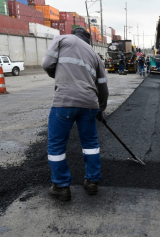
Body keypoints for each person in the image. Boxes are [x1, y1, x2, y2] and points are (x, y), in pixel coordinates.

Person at [41, 28, 109, 201]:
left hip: (65, 101)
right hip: (89, 104)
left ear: (73, 34)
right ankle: (92, 182)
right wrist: (101, 109)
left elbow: (47, 64)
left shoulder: (62, 39)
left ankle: (61, 186)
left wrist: (57, 76)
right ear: (89, 40)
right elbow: (103, 86)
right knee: (90, 144)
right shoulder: (94, 55)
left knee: (56, 145)